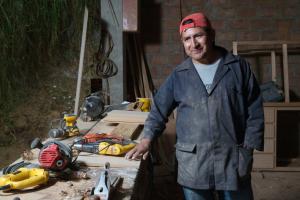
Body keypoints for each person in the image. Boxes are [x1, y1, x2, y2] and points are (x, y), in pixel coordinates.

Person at [125, 12, 264, 200]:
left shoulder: (238, 68)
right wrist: (146, 139)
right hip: (194, 163)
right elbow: (158, 110)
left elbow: (255, 111)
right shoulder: (179, 75)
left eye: (198, 35)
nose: (194, 44)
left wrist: (248, 148)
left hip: (232, 159)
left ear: (211, 35)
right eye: (187, 39)